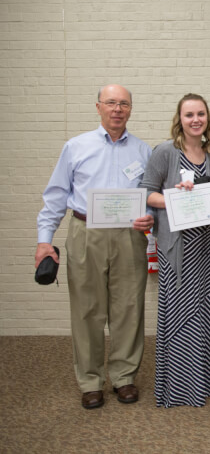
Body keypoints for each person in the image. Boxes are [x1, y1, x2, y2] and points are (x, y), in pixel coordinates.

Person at [35, 85, 153, 409]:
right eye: (111, 102)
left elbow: (151, 195)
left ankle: (124, 377)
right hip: (85, 232)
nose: (117, 109)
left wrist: (150, 216)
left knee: (129, 307)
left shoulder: (143, 151)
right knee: (87, 309)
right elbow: (56, 196)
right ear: (98, 107)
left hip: (129, 236)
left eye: (124, 103)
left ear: (131, 109)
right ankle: (90, 381)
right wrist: (44, 240)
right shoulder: (76, 147)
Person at [140, 93, 210, 407]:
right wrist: (175, 197)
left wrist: (208, 196)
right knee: (181, 314)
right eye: (189, 114)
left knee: (206, 312)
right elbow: (146, 192)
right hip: (178, 249)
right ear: (180, 119)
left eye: (200, 114)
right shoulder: (165, 151)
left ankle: (207, 380)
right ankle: (181, 386)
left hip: (207, 248)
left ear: (207, 118)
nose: (195, 120)